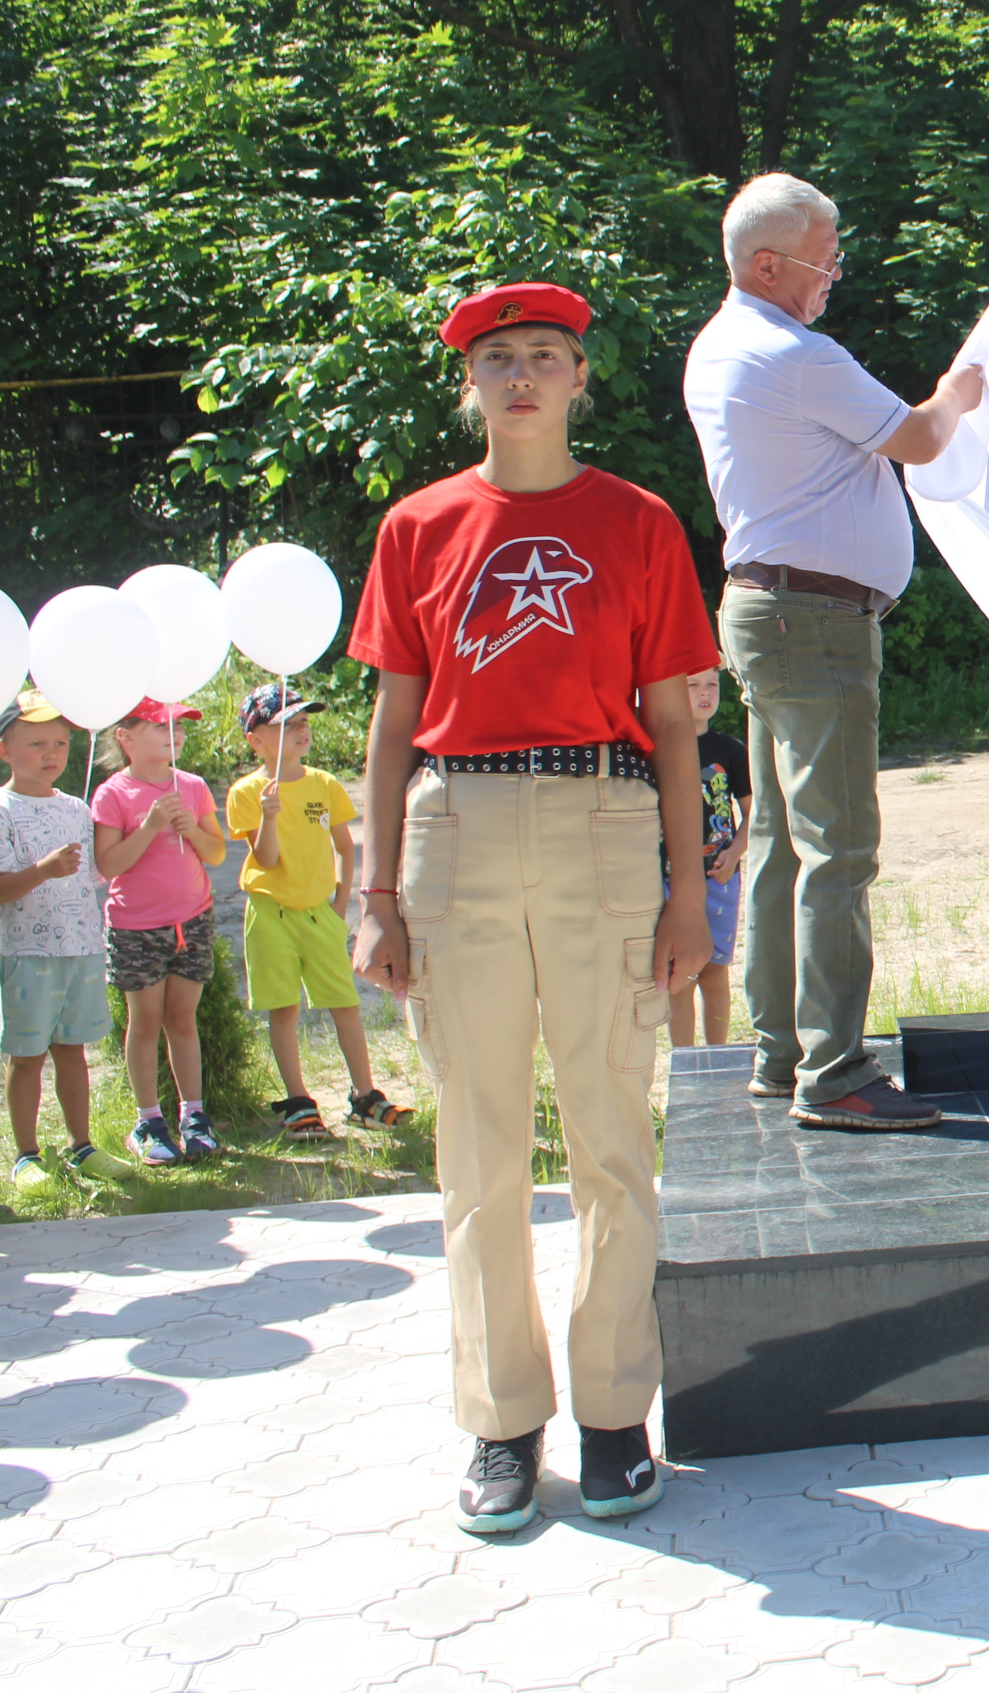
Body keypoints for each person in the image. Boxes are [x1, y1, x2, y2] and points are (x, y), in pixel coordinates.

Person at [348, 279, 717, 1535]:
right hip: (456, 827)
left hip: (606, 823)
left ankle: (614, 1412)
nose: (521, 375)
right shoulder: (418, 525)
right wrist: (377, 890)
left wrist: (687, 894)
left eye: (546, 356)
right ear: (471, 381)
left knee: (613, 1137)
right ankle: (503, 1421)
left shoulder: (640, 521)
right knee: (481, 1149)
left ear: (577, 380)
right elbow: (393, 725)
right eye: (499, 356)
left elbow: (674, 727)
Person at [683, 172, 982, 1133]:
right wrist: (960, 390)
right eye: (827, 255)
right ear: (768, 264)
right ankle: (838, 1073)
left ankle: (781, 1055)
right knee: (838, 848)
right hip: (814, 625)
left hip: (770, 614)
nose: (836, 273)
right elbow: (921, 440)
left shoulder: (720, 345)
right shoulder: (794, 353)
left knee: (778, 843)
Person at [227, 683, 409, 1135]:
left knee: (343, 1002)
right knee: (284, 1007)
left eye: (305, 721)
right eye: (287, 724)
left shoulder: (323, 784)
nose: (302, 729)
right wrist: (269, 816)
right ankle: (298, 1102)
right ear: (256, 740)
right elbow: (266, 860)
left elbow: (347, 848)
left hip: (319, 915)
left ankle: (364, 1097)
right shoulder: (247, 792)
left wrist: (339, 905)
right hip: (271, 917)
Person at [0, 690, 112, 1183]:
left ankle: (82, 1145)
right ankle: (27, 1156)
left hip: (80, 946)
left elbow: (96, 873)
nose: (51, 754)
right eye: (36, 744)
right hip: (26, 952)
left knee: (73, 1050)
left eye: (59, 742)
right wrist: (44, 869)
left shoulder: (76, 807)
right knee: (27, 1055)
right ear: (3, 750)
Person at [91, 697, 227, 1166]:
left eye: (180, 725)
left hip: (192, 921)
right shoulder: (113, 794)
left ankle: (195, 1117)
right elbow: (109, 865)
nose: (175, 731)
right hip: (136, 928)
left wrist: (191, 830)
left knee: (182, 1019)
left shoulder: (192, 787)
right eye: (160, 724)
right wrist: (149, 826)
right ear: (125, 738)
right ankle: (148, 1121)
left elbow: (216, 854)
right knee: (145, 1022)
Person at [669, 666, 751, 1049]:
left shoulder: (731, 751)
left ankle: (718, 1058)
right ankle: (684, 1064)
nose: (705, 693)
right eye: (692, 685)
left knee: (715, 973)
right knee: (678, 975)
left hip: (719, 877)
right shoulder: (656, 748)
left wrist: (735, 853)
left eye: (712, 685)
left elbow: (756, 813)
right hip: (667, 879)